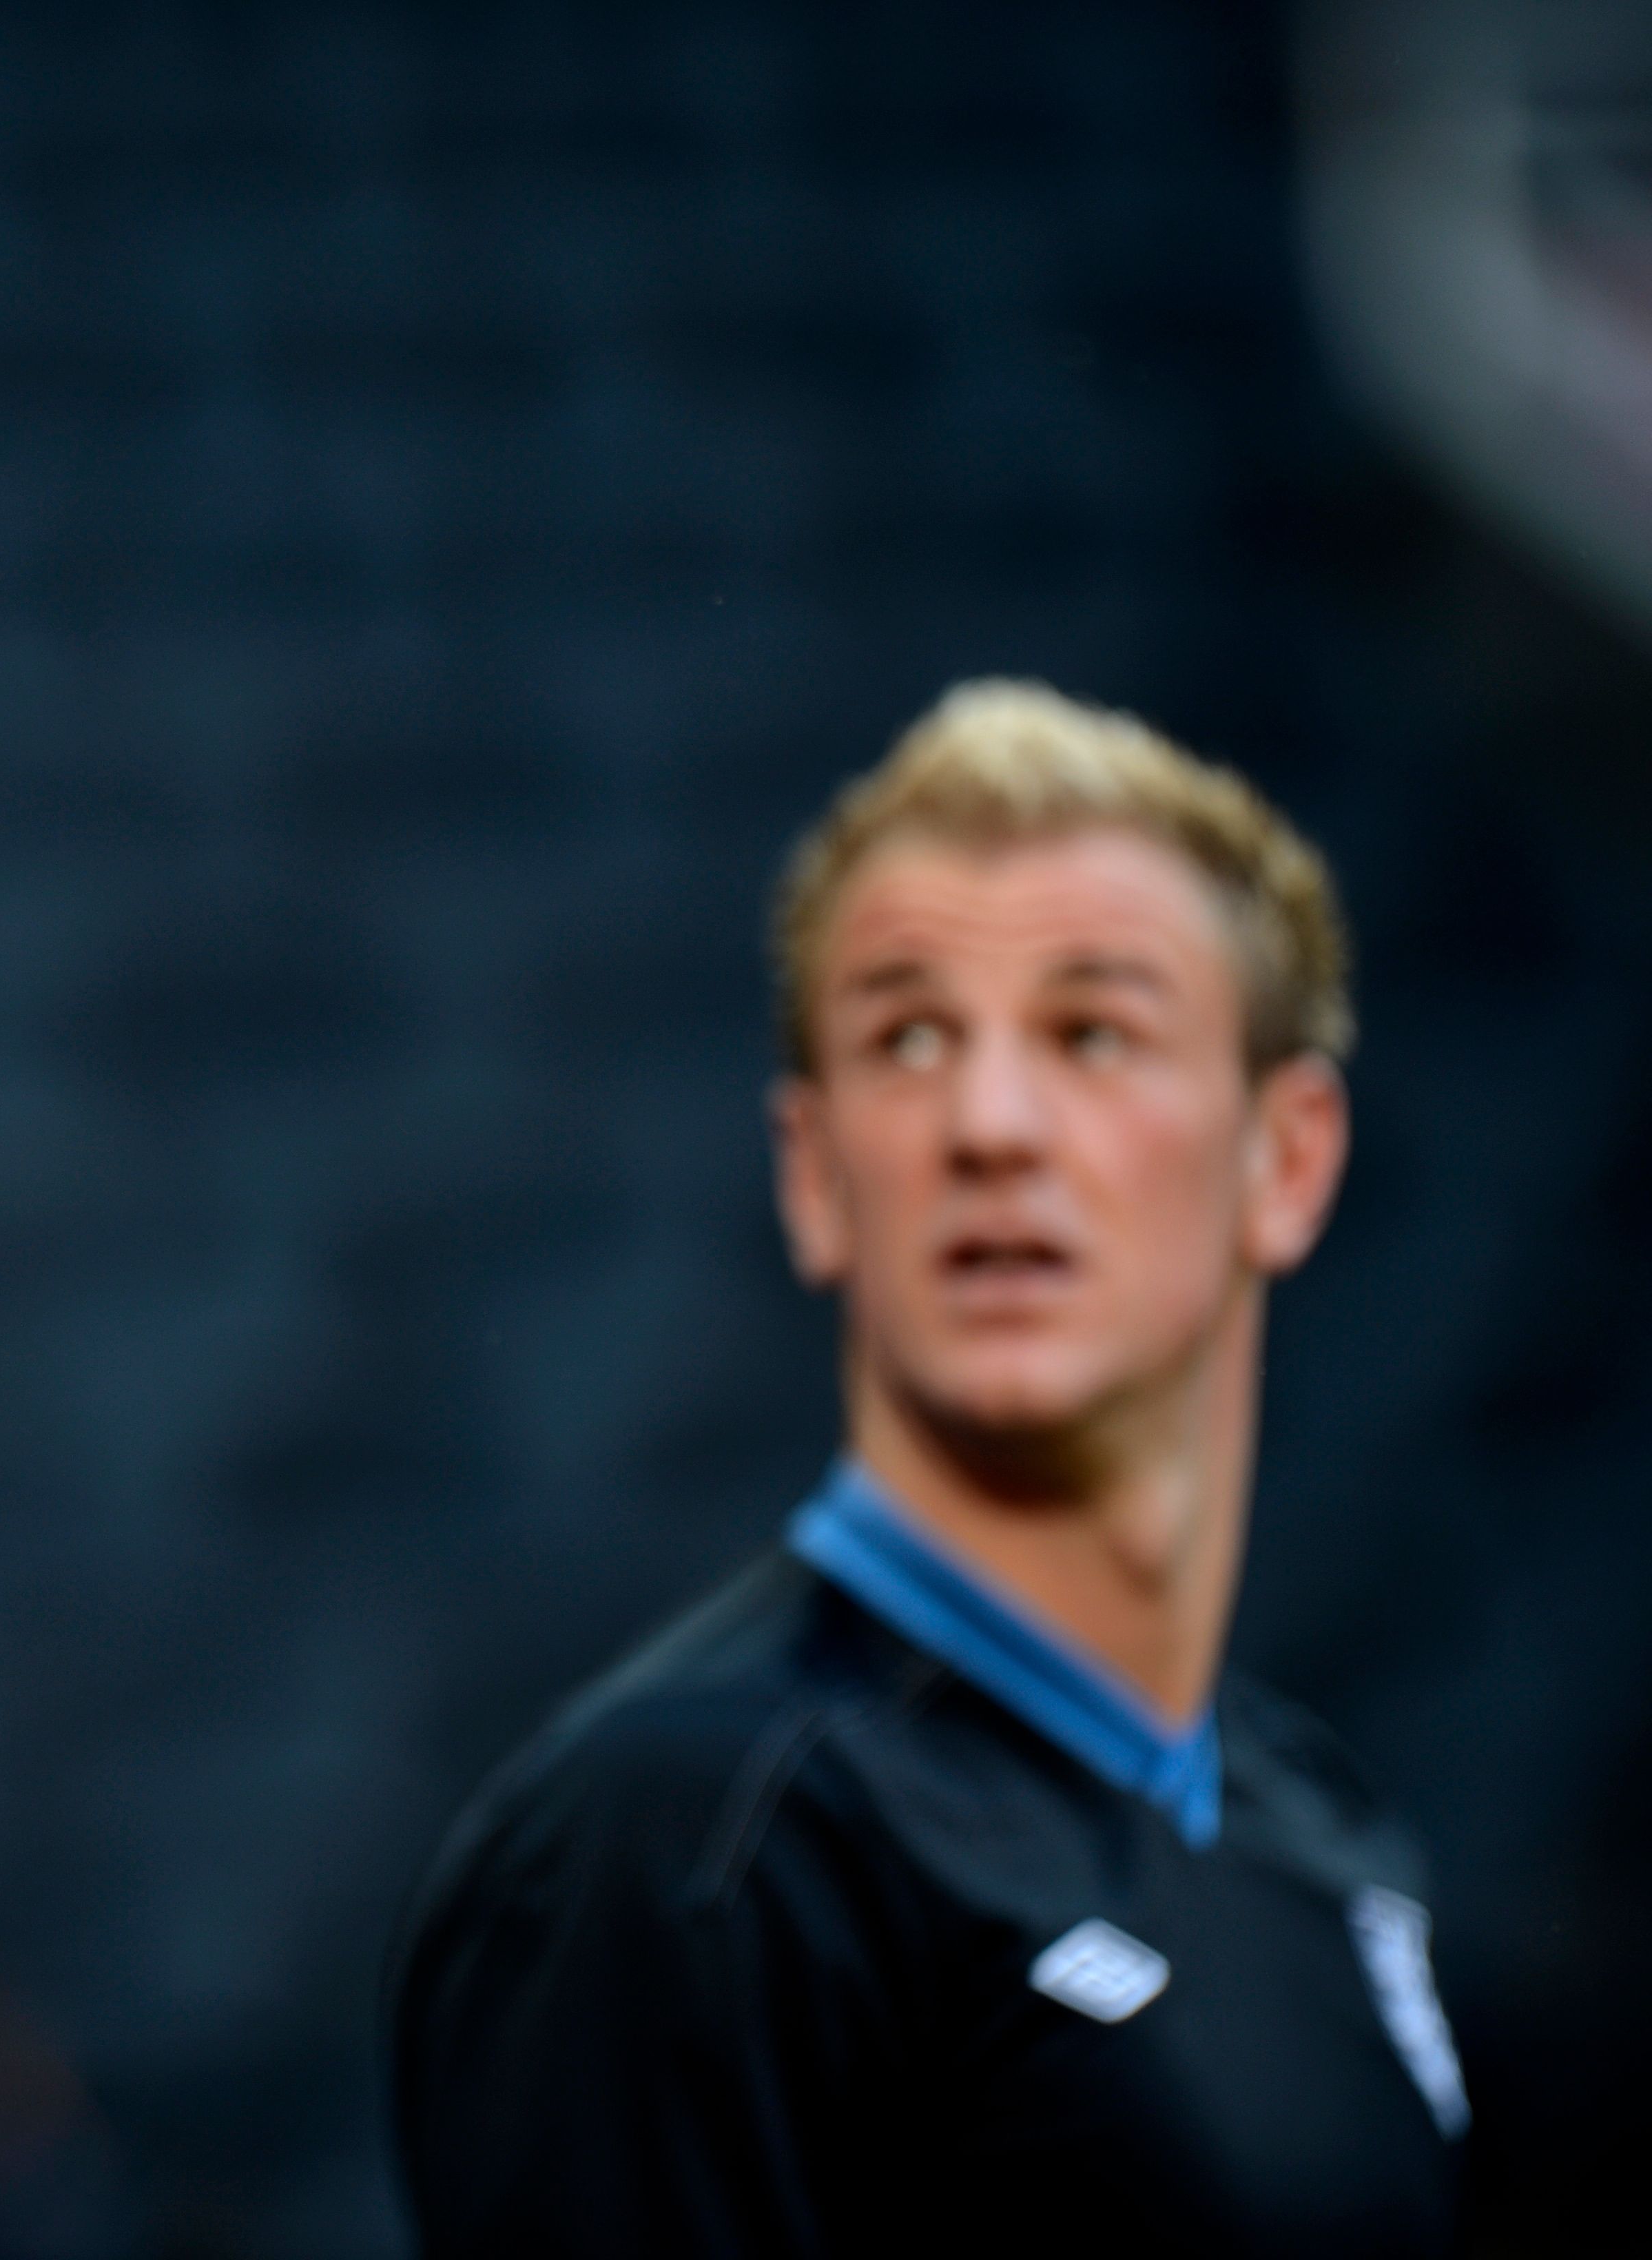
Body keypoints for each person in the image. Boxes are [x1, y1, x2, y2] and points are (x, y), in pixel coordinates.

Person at [390, 681, 1469, 2257]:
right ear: (817, 1177)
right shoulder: (685, 1846)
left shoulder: (1322, 1830)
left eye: (1093, 1031)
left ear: (1284, 1158)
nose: (988, 1121)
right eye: (905, 1037)